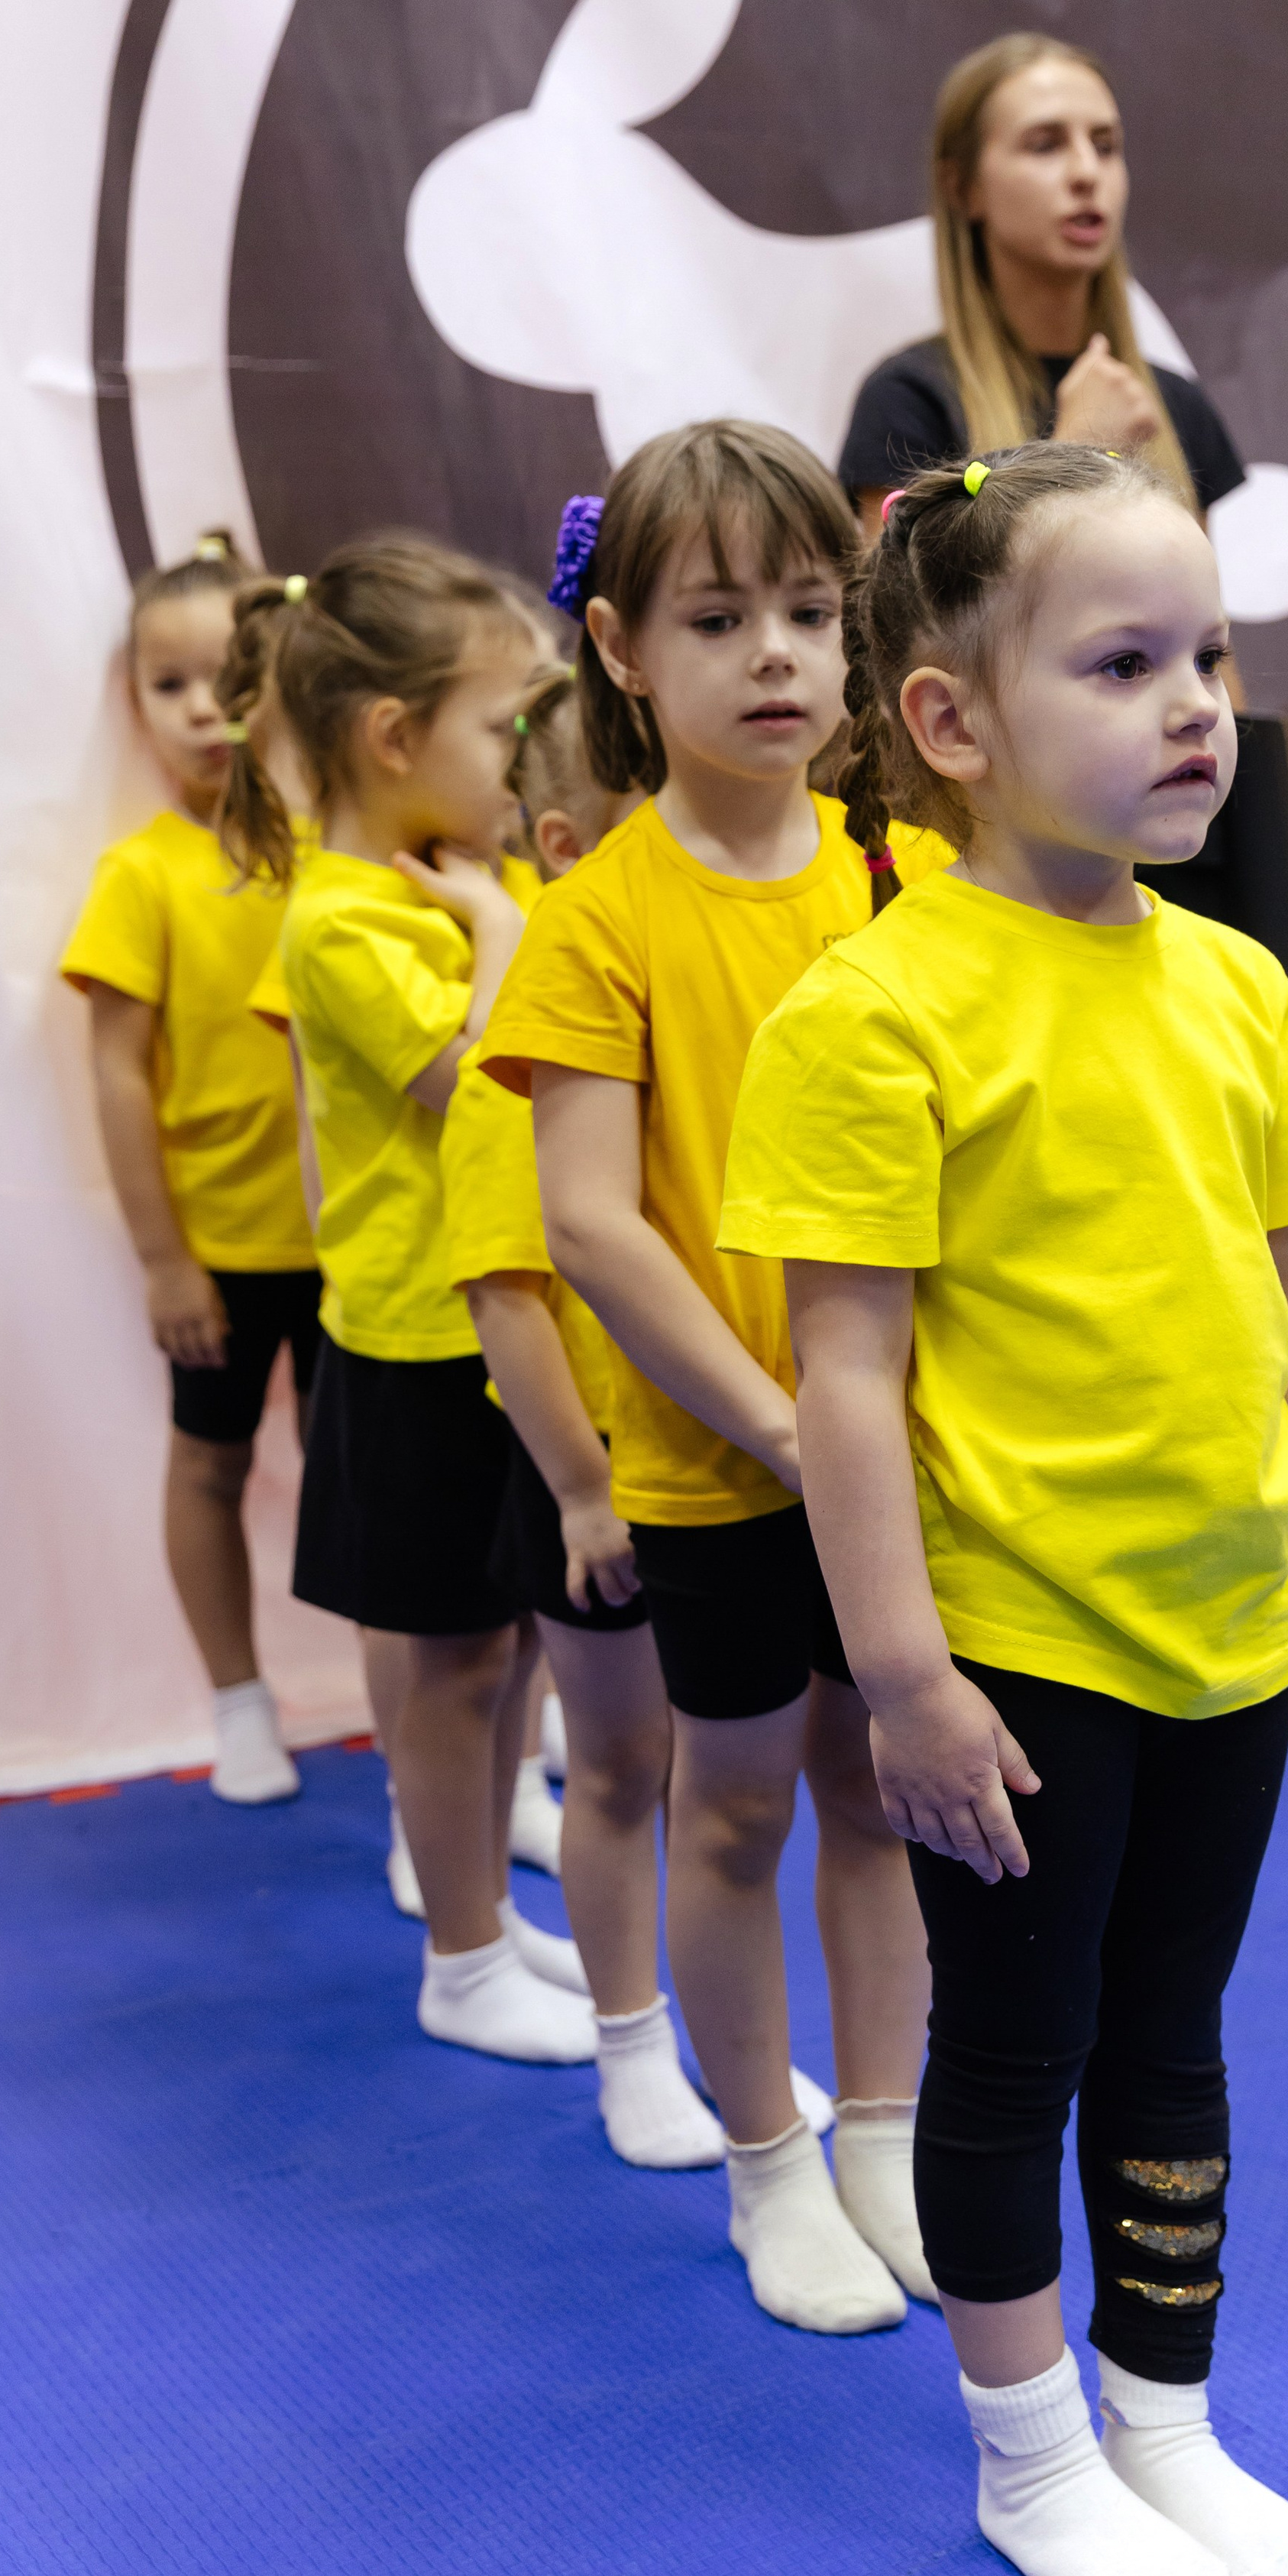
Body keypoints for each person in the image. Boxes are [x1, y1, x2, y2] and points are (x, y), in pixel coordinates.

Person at [719, 440, 1288, 2576]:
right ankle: (1029, 2453)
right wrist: (901, 1676)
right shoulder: (879, 1010)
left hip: (1224, 1627)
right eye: (1127, 662)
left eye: (1211, 655)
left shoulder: (1235, 986)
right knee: (1021, 2051)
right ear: (952, 726)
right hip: (1018, 1649)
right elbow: (842, 1380)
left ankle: (1164, 2410)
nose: (1198, 702)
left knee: (1176, 2025)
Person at [478, 423, 947, 2334]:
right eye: (715, 616)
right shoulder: (598, 918)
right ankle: (766, 2159)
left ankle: (884, 2135)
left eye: (807, 612)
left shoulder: (899, 872)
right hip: (718, 1454)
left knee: (882, 1787)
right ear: (618, 648)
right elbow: (587, 1219)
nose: (771, 654)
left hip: (897, 1440)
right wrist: (769, 1421)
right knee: (733, 1801)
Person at [221, 538, 595, 2066]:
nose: (524, 758)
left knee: (503, 1644)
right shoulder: (345, 919)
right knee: (443, 1670)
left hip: (504, 1327)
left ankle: (486, 1920)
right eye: (505, 726)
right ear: (393, 738)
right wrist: (509, 936)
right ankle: (457, 1955)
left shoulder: (459, 882)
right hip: (413, 1342)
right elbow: (479, 1084)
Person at [442, 672, 723, 2160]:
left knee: (715, 1779)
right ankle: (632, 2049)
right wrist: (579, 1491)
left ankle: (725, 2045)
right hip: (598, 1474)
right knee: (621, 1767)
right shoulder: (529, 1063)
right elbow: (510, 1302)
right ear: (563, 849)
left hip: (714, 1463)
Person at [60, 530, 316, 1806]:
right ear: (136, 704)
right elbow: (116, 1072)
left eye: (229, 675)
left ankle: (441, 1691)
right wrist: (165, 1257)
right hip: (222, 1244)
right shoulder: (143, 874)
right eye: (170, 686)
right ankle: (237, 1700)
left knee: (383, 1482)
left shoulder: (336, 849)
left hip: (362, 1246)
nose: (206, 708)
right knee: (208, 1463)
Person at [837, 34, 1244, 535]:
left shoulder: (1172, 407)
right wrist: (1077, 449)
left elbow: (1195, 612)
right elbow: (901, 614)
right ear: (964, 188)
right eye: (1046, 145)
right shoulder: (911, 403)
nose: (1086, 172)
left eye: (1105, 146)